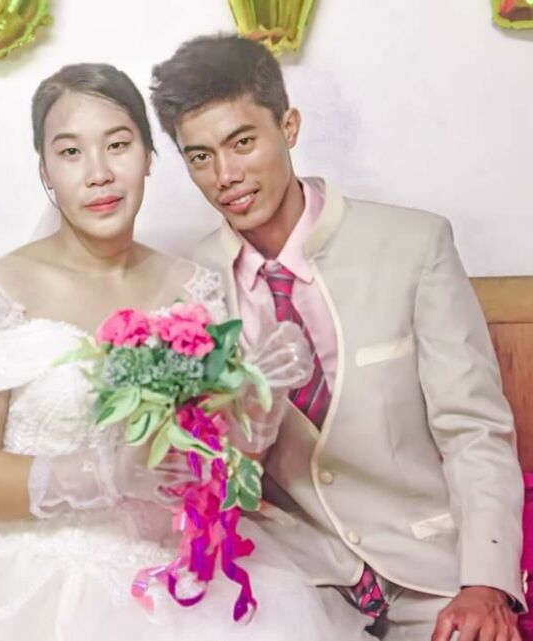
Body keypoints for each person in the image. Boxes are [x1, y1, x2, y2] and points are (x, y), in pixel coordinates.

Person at [0, 62, 370, 641]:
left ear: (148, 157)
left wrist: (259, 402)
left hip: (182, 571)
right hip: (33, 578)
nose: (98, 173)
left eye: (118, 145)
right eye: (71, 153)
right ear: (45, 171)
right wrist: (106, 474)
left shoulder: (195, 288)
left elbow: (219, 467)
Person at [150, 34, 525, 641]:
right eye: (200, 157)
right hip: (289, 578)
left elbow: (473, 428)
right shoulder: (184, 289)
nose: (226, 176)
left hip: (428, 570)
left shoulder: (414, 245)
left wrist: (485, 583)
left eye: (242, 142)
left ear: (289, 126)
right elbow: (202, 471)